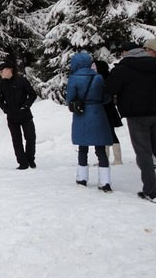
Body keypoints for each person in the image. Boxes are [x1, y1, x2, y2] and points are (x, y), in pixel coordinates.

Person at [106, 42, 156, 202]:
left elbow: (109, 90)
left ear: (125, 52)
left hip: (136, 115)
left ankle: (151, 190)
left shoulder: (122, 69)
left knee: (144, 152)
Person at [67, 53, 113, 192]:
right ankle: (105, 181)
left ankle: (82, 178)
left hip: (81, 114)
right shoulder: (98, 77)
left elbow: (69, 99)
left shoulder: (73, 79)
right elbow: (106, 97)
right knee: (100, 148)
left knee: (83, 147)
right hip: (98, 113)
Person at [0, 61, 37, 170]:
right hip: (12, 117)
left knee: (30, 137)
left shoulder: (21, 80)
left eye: (2, 71)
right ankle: (22, 162)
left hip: (25, 115)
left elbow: (33, 94)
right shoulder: (2, 84)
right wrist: (5, 109)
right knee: (16, 140)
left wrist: (26, 106)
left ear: (9, 69)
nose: (0, 73)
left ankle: (30, 159)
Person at [93, 60, 123, 165]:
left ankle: (117, 158)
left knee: (110, 132)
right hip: (105, 108)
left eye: (94, 66)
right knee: (104, 133)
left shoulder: (103, 79)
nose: (92, 68)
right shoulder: (103, 77)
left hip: (107, 109)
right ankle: (105, 157)